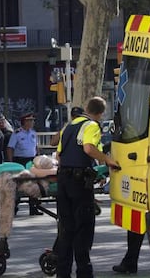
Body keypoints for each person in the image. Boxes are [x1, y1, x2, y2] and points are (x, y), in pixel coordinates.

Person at [56, 97, 120, 278]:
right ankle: (84, 273)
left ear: (86, 108)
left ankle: (63, 273)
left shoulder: (69, 126)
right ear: (101, 113)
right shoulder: (92, 126)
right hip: (79, 184)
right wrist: (107, 160)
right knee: (83, 229)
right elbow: (89, 148)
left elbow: (59, 155)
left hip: (63, 181)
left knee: (66, 229)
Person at [7, 112, 42, 215]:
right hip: (20, 160)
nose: (32, 122)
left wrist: (38, 159)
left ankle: (34, 207)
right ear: (24, 122)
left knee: (34, 183)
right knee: (18, 184)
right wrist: (10, 163)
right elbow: (10, 148)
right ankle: (14, 207)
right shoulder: (17, 133)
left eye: (33, 120)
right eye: (30, 120)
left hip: (31, 160)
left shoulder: (33, 133)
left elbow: (36, 148)